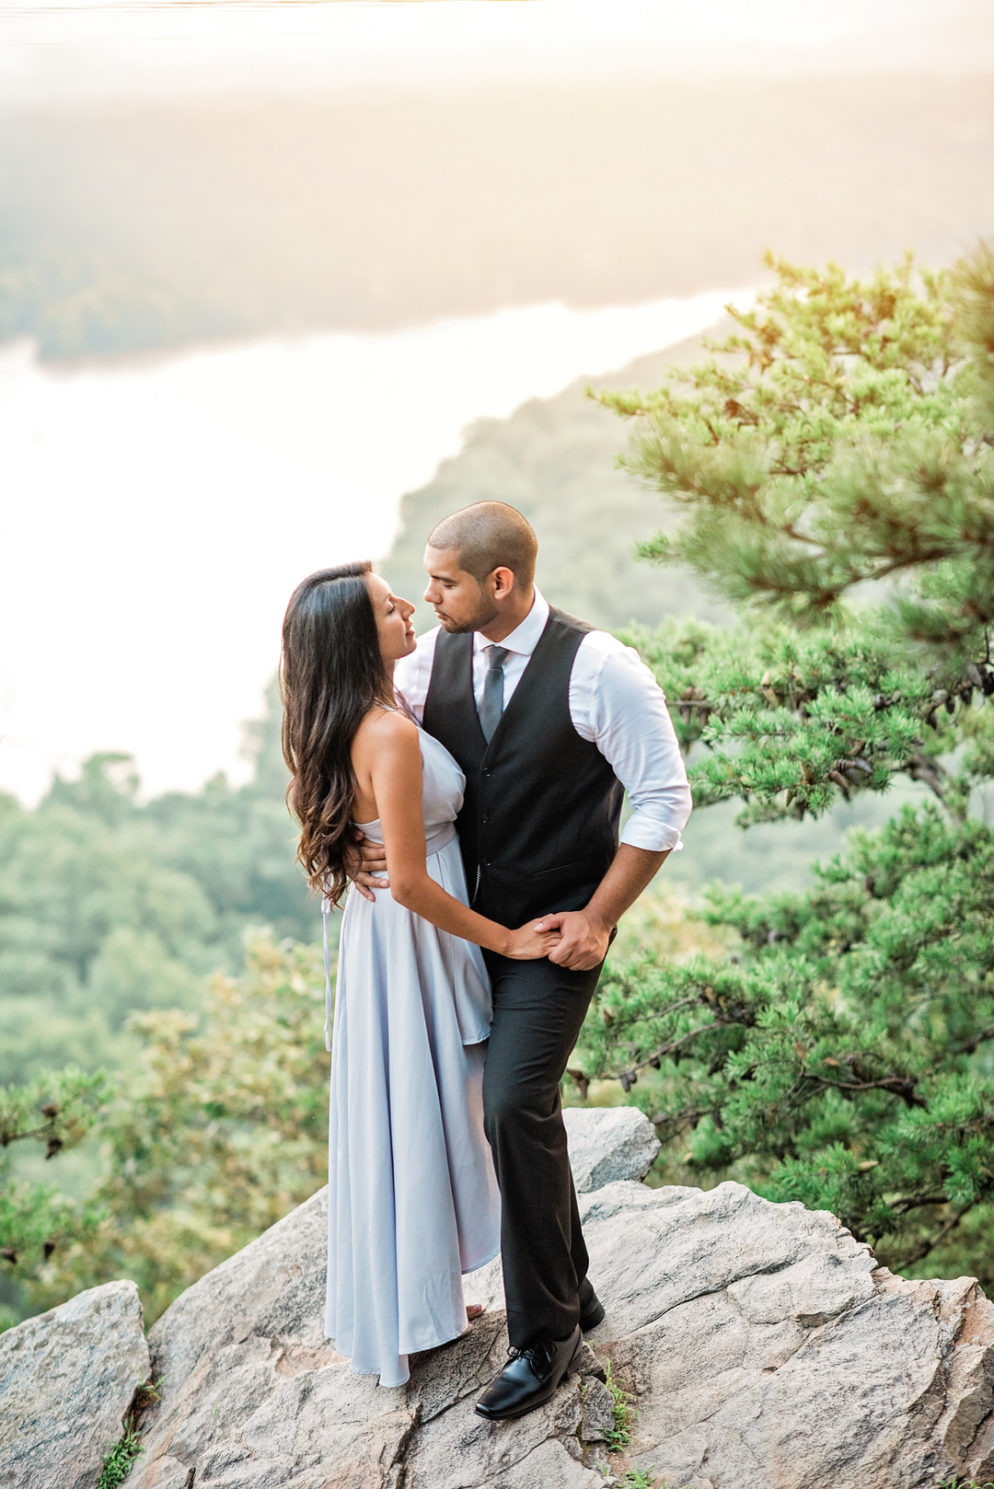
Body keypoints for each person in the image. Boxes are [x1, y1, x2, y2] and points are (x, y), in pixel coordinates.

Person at [354, 502, 692, 1421]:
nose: (427, 599)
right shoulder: (424, 667)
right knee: (494, 1114)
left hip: (551, 938)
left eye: (444, 582)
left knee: (513, 1101)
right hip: (459, 937)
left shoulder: (602, 670)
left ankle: (544, 1336)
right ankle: (573, 1289)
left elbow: (664, 798)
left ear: (499, 582)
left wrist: (598, 916)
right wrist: (347, 842)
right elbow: (357, 745)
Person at [280, 562, 560, 1390]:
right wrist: (506, 942)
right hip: (416, 933)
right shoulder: (391, 732)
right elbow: (405, 878)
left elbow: (314, 784)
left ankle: (418, 1295)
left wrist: (342, 837)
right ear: (352, 637)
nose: (407, 605)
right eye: (385, 605)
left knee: (421, 1105)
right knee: (433, 1100)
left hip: (395, 935)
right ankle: (422, 1299)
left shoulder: (369, 711)